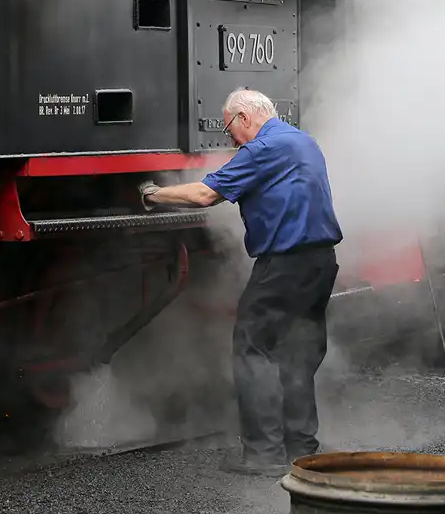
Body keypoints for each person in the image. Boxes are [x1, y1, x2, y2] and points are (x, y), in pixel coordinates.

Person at [139, 88, 342, 477]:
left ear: (245, 118)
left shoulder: (260, 150)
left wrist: (153, 194)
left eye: (229, 126)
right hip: (321, 263)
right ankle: (302, 451)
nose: (230, 137)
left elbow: (204, 195)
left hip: (283, 265)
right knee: (298, 353)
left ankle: (263, 454)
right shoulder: (305, 142)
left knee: (253, 350)